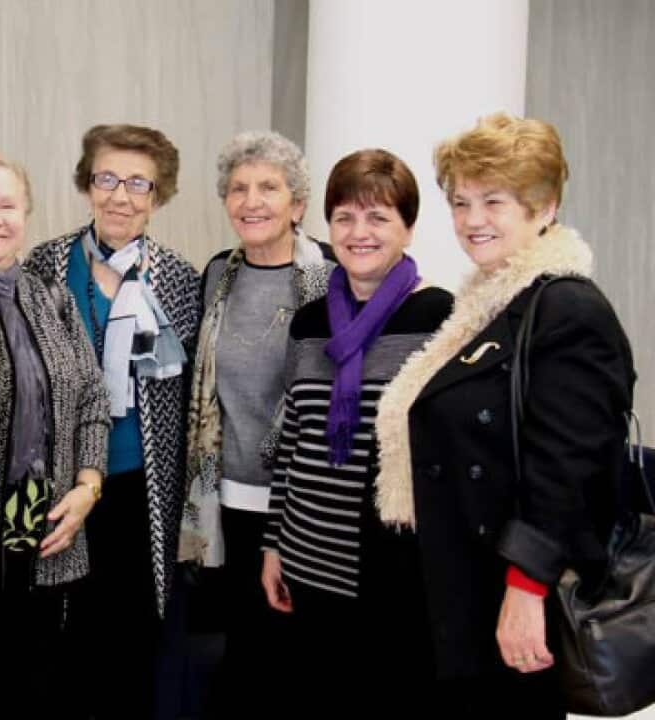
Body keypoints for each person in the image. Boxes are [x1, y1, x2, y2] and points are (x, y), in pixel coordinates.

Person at [374, 113, 636, 717]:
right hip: (461, 583)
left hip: (509, 592)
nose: (472, 220)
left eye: (494, 201)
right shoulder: (488, 302)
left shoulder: (568, 310)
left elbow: (568, 469)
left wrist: (527, 585)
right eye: (461, 202)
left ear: (544, 208)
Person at [258, 149, 453, 712]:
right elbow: (293, 440)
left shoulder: (440, 318)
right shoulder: (309, 322)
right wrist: (273, 545)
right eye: (344, 217)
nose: (358, 232)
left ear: (408, 228)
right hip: (306, 559)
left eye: (378, 217)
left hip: (393, 572)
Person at [24, 123, 201, 718]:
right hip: (58, 482)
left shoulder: (177, 278)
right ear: (87, 184)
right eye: (107, 179)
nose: (120, 196)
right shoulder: (47, 264)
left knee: (132, 639)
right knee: (57, 633)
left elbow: (189, 392)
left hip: (141, 486)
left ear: (158, 194)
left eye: (138, 183)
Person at [0, 148, 111, 719]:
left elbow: (92, 398)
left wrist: (87, 487)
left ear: (25, 216)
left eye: (8, 205)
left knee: (38, 685)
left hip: (50, 521)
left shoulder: (51, 297)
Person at [174, 130, 333, 710]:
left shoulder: (333, 276)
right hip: (227, 500)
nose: (251, 201)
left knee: (299, 656)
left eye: (269, 187)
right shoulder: (219, 274)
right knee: (241, 650)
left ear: (298, 203)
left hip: (305, 502)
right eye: (238, 189)